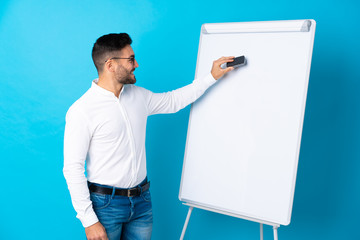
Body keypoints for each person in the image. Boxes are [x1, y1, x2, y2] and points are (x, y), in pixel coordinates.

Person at [63, 33, 234, 240]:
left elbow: (173, 101)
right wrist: (89, 220)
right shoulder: (82, 110)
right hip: (105, 206)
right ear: (110, 65)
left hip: (142, 201)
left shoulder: (138, 96)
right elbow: (72, 168)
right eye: (130, 59)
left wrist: (211, 77)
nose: (136, 64)